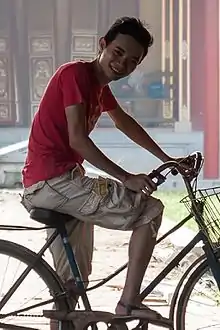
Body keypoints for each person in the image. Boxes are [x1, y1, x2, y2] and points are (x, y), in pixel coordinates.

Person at [21, 16, 183, 324]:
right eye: (118, 52)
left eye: (132, 61)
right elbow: (78, 141)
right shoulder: (75, 75)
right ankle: (129, 303)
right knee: (150, 209)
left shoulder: (98, 86)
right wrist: (125, 178)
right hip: (54, 182)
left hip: (56, 184)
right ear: (103, 45)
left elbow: (123, 122)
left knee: (71, 284)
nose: (122, 63)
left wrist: (167, 158)